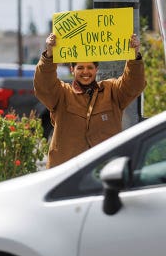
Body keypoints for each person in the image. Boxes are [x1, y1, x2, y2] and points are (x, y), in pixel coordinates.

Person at [34, 33, 146, 168]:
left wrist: (134, 56)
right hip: (66, 173)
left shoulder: (112, 91)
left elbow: (134, 84)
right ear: (72, 70)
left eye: (90, 68)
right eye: (80, 68)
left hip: (105, 171)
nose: (85, 72)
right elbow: (43, 86)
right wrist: (49, 54)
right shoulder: (62, 94)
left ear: (96, 69)